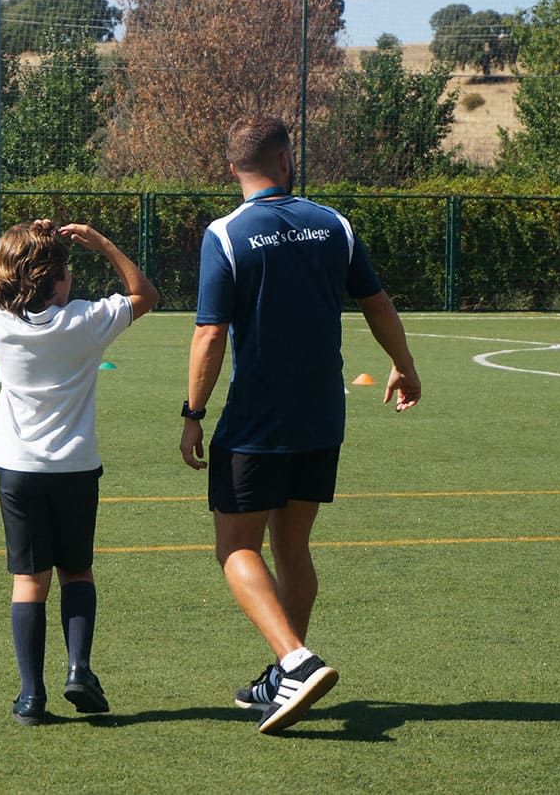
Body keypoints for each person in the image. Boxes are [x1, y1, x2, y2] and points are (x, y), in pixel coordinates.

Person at [179, 115, 421, 735]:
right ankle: (284, 673)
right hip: (322, 417)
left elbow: (210, 333)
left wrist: (193, 414)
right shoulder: (333, 224)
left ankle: (294, 660)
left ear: (234, 170)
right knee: (292, 546)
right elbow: (376, 301)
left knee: (235, 546)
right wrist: (403, 366)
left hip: (257, 421)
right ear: (286, 161)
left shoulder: (226, 234)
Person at [0, 219, 159, 725]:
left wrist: (25, 238)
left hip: (17, 468)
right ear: (57, 279)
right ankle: (79, 668)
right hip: (76, 467)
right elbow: (144, 294)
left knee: (28, 580)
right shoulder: (84, 321)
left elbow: (9, 276)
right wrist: (102, 243)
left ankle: (30, 696)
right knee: (76, 570)